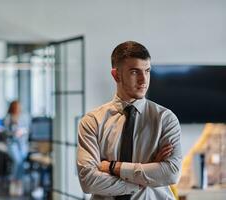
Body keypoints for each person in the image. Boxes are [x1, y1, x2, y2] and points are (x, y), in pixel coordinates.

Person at [77, 41, 182, 199]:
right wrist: (143, 180)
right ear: (116, 75)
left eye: (147, 71)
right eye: (135, 72)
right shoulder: (92, 121)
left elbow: (171, 174)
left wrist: (112, 167)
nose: (143, 80)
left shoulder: (165, 119)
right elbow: (88, 181)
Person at [3, 100, 29, 197]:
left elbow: (27, 129)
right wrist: (13, 133)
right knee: (18, 161)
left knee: (22, 162)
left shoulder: (24, 117)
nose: (18, 108)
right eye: (17, 106)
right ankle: (14, 181)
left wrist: (23, 131)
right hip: (12, 143)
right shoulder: (8, 118)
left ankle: (19, 183)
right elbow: (5, 132)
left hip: (22, 144)